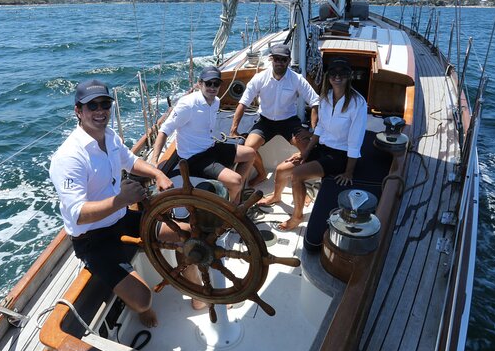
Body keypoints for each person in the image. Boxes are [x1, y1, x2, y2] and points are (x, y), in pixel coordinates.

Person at [49, 79, 177, 328]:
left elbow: (129, 161)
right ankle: (140, 309)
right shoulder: (69, 157)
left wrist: (157, 174)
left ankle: (192, 286)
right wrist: (121, 200)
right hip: (92, 238)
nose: (100, 110)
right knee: (143, 299)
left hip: (120, 218)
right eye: (92, 105)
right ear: (78, 110)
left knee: (181, 234)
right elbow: (78, 215)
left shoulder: (109, 136)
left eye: (105, 103)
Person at [261, 58, 367, 231]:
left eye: (342, 73)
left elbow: (355, 141)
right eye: (333, 73)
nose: (337, 76)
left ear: (349, 76)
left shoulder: (357, 103)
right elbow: (319, 130)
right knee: (281, 170)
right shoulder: (325, 98)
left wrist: (349, 172)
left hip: (339, 156)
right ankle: (276, 197)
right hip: (322, 149)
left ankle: (297, 216)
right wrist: (305, 153)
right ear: (328, 76)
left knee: (297, 175)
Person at [151, 66, 255, 203]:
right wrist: (154, 160)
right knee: (236, 180)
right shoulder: (188, 105)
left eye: (216, 84)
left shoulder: (216, 101)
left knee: (251, 153)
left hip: (210, 147)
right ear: (200, 84)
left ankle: (235, 194)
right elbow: (164, 130)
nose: (212, 87)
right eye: (208, 83)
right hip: (194, 158)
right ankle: (231, 208)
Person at [228, 43, 319, 186]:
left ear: (289, 61)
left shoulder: (297, 79)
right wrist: (234, 130)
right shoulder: (260, 78)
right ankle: (261, 174)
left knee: (307, 148)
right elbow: (243, 103)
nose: (280, 62)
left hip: (289, 122)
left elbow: (315, 102)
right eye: (276, 59)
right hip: (265, 122)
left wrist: (312, 132)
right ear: (271, 59)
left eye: (283, 59)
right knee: (248, 148)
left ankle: (301, 182)